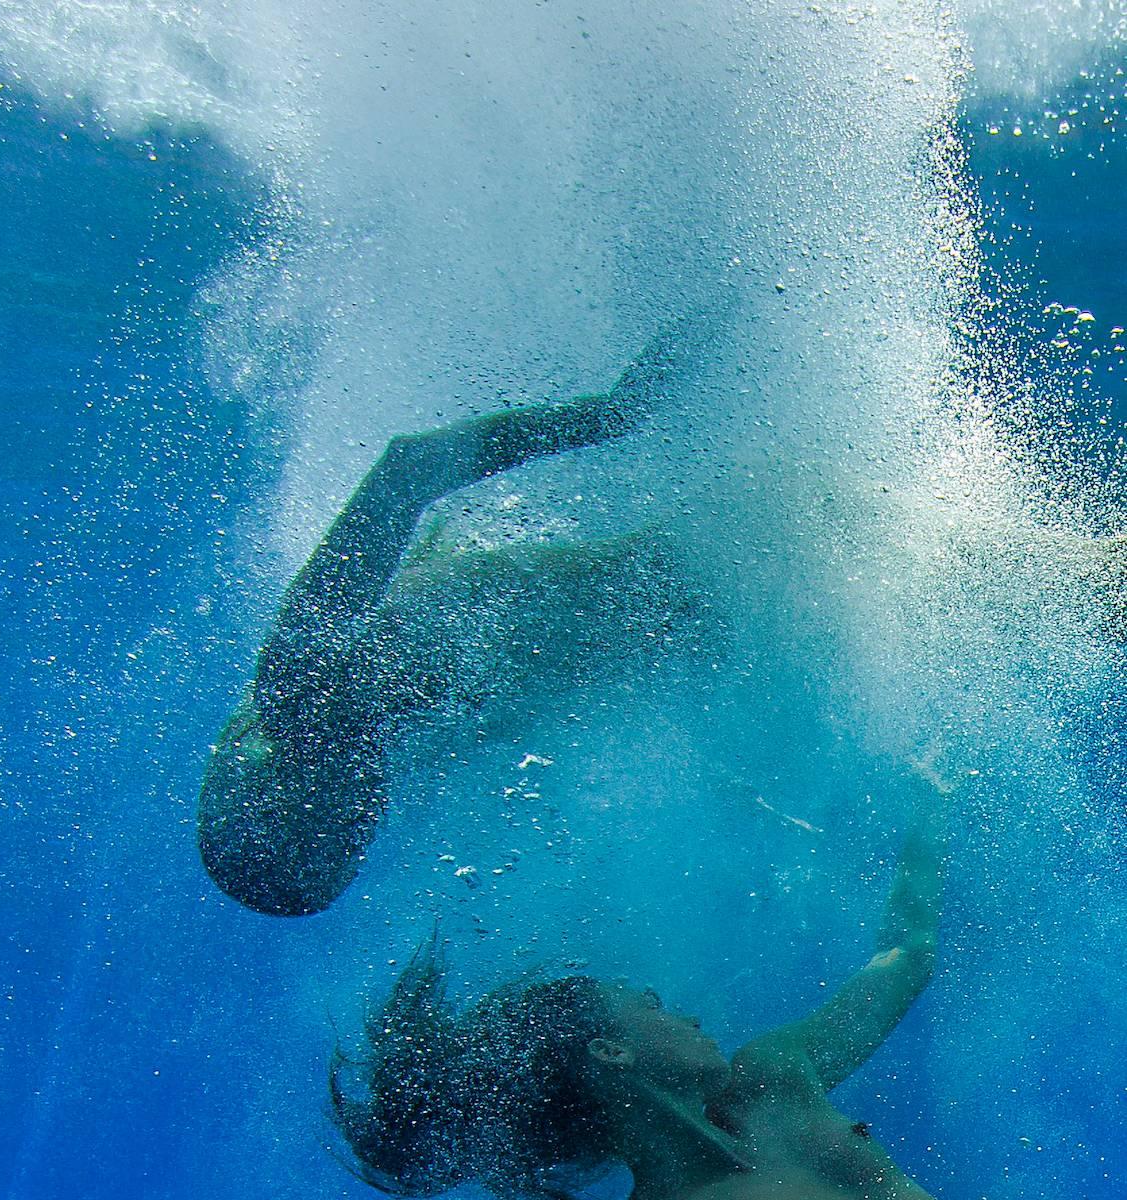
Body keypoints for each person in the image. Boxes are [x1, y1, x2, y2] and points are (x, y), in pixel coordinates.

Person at [199, 333, 696, 917]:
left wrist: (611, 415)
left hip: (676, 577)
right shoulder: (374, 742)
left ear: (287, 800)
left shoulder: (299, 684)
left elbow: (408, 470)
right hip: (682, 617)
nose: (371, 822)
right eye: (358, 846)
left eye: (347, 835)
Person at [330, 769, 952, 1200]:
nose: (680, 1013)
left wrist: (930, 812)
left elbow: (906, 957)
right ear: (611, 1051)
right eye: (649, 1006)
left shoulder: (775, 1081)